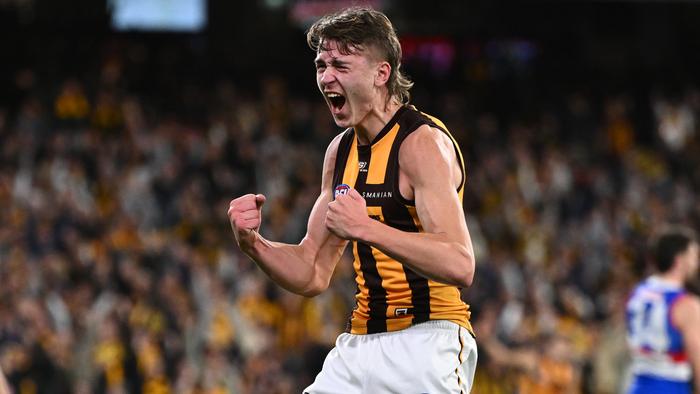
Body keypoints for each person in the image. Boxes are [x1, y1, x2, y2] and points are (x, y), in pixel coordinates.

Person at [228, 7, 477, 393]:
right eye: (321, 65)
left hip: (427, 340)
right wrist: (254, 245)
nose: (326, 77)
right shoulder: (339, 153)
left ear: (382, 73)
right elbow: (312, 271)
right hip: (358, 345)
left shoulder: (422, 144)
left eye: (341, 65)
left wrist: (365, 228)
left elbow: (460, 263)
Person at [625, 226, 700, 394]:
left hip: (637, 385)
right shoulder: (686, 305)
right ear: (679, 261)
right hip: (671, 386)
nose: (697, 263)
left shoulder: (637, 294)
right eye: (694, 256)